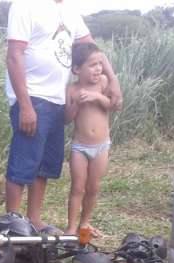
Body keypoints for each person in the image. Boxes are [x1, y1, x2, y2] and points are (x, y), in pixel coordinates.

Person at [5, 0, 122, 233]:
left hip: (57, 98)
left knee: (44, 166)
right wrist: (26, 106)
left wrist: (114, 80)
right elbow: (14, 56)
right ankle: (11, 223)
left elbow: (92, 48)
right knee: (23, 162)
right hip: (34, 97)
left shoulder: (68, 10)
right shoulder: (24, 5)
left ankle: (34, 220)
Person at [63, 43, 112, 237]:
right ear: (77, 69)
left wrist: (96, 97)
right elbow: (66, 119)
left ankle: (85, 223)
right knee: (77, 187)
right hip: (80, 147)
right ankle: (71, 227)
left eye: (100, 64)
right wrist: (76, 104)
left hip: (101, 146)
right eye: (93, 65)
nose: (99, 68)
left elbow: (114, 104)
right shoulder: (72, 90)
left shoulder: (104, 83)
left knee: (93, 187)